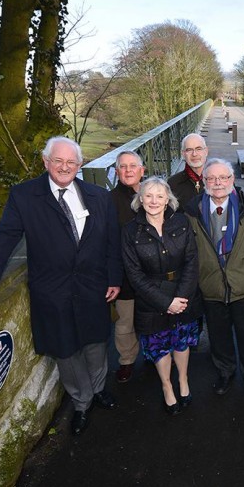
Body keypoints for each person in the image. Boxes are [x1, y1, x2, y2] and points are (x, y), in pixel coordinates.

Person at [0, 136, 122, 437]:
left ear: (79, 165)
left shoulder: (98, 196)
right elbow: (3, 239)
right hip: (52, 291)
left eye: (71, 162)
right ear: (46, 162)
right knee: (65, 351)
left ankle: (98, 388)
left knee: (95, 344)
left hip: (93, 287)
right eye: (58, 161)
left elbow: (111, 242)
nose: (64, 167)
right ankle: (81, 402)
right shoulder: (25, 196)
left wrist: (114, 278)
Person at [184, 158, 244, 401]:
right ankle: (225, 371)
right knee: (218, 337)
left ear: (232, 181)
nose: (217, 183)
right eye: (211, 178)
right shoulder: (193, 212)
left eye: (223, 178)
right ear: (204, 182)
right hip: (211, 289)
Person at [121, 177, 203, 416]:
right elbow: (134, 274)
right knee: (161, 347)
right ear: (140, 199)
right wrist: (165, 302)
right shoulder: (129, 231)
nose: (154, 201)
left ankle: (183, 380)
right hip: (151, 298)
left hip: (183, 293)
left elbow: (192, 261)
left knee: (181, 342)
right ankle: (167, 386)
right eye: (148, 195)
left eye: (159, 196)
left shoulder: (182, 222)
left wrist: (181, 298)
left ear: (168, 199)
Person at [109, 150, 146, 384]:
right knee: (125, 322)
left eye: (133, 166)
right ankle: (127, 361)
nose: (129, 170)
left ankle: (155, 353)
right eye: (123, 166)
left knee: (154, 316)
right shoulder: (108, 200)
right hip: (124, 272)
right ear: (116, 172)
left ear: (142, 170)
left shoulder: (153, 192)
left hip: (152, 272)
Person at [169, 133, 208, 209]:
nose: (194, 154)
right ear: (183, 154)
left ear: (206, 151)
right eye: (189, 150)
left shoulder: (220, 179)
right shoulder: (173, 183)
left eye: (198, 149)